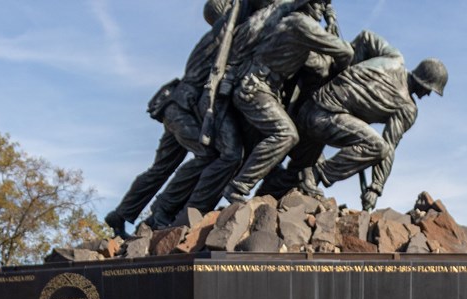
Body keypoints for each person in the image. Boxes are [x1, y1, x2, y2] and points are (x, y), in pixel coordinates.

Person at [104, 0, 235, 239]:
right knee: (207, 154)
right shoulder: (219, 34)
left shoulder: (214, 37)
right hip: (183, 109)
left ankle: (121, 213)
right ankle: (162, 209)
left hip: (177, 107)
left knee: (161, 168)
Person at [271, 31, 445, 210]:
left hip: (310, 107)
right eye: (430, 89)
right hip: (323, 119)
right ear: (424, 82)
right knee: (377, 147)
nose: (429, 94)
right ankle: (315, 175)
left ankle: (270, 197)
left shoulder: (394, 58)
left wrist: (347, 71)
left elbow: (366, 38)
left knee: (290, 178)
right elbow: (388, 146)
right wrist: (376, 188)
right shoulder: (407, 108)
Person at [221, 0, 353, 205]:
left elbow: (318, 64)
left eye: (325, 5)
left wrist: (331, 27)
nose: (321, 8)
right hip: (255, 89)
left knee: (300, 131)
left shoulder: (295, 24)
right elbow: (345, 52)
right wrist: (340, 69)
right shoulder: (300, 23)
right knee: (286, 134)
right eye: (318, 3)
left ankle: (295, 181)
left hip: (268, 90)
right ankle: (237, 187)